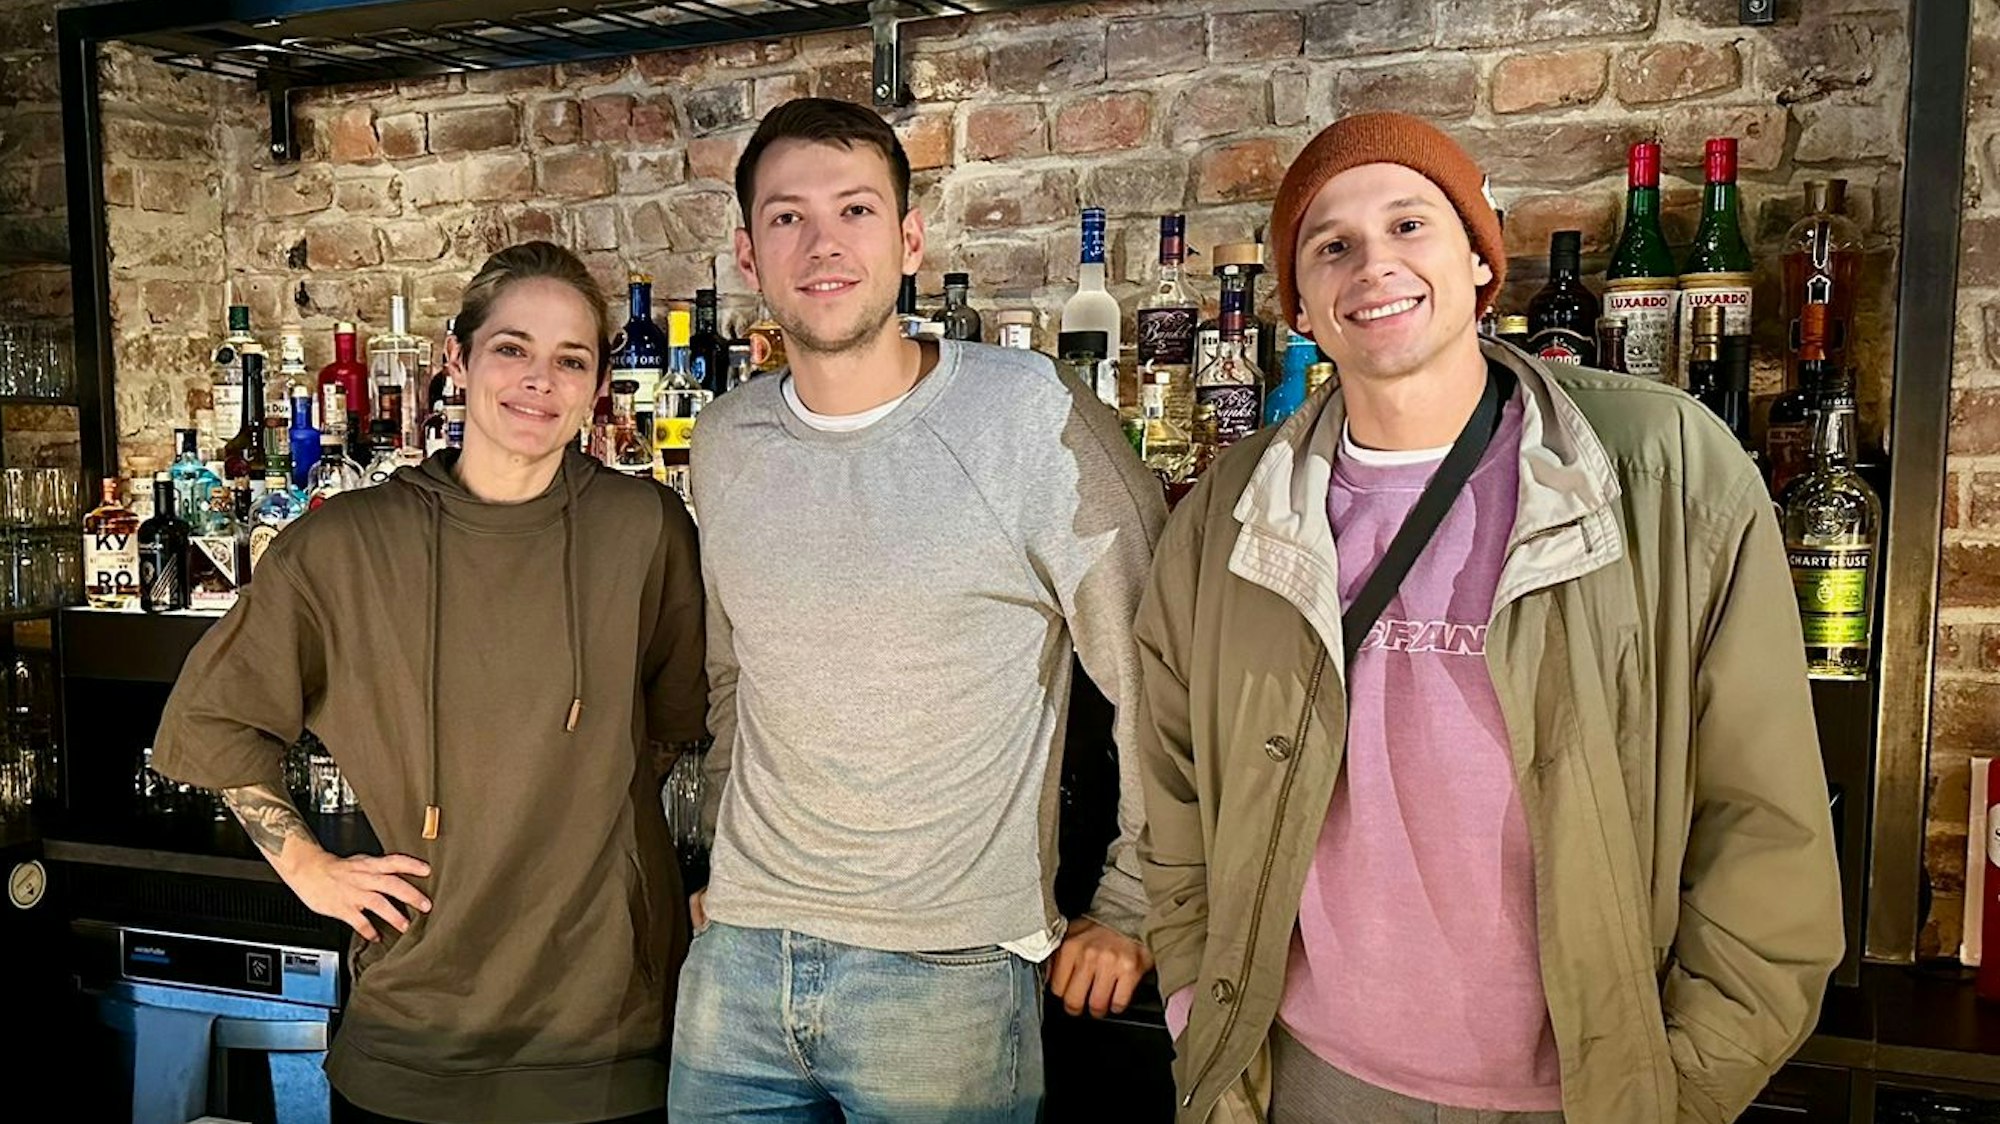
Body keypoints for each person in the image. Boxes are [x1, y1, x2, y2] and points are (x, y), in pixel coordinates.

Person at [1134, 111, 1844, 1124]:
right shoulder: (1228, 510)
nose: (1372, 262)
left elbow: (1764, 811)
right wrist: (1200, 1001)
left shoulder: (1663, 465)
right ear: (1297, 306)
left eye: (1409, 224)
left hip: (1587, 1091)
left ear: (1477, 259)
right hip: (1309, 1074)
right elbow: (1172, 781)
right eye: (1330, 244)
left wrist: (1687, 1077)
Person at [669, 97, 1165, 1122]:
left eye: (854, 210)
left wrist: (1133, 899)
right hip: (738, 968)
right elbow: (734, 675)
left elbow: (1160, 677)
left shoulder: (1026, 413)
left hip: (945, 973)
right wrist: (724, 861)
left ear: (907, 239)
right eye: (786, 217)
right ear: (745, 253)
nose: (821, 244)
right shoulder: (722, 441)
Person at [151, 241, 708, 1124]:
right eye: (512, 348)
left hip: (611, 1035)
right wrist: (309, 868)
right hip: (414, 1030)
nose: (540, 381)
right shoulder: (346, 544)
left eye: (572, 360)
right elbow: (214, 721)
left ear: (600, 384)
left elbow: (677, 725)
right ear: (457, 358)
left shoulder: (646, 526)